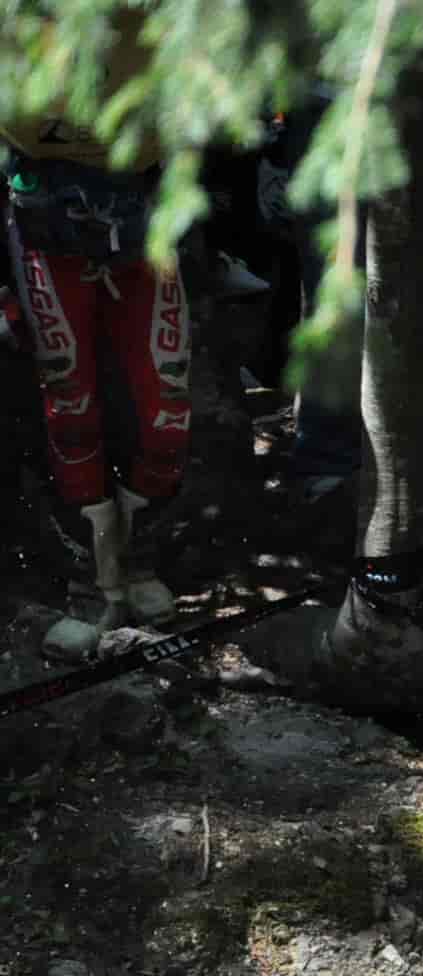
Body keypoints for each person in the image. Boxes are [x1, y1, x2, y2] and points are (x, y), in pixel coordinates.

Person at [1, 8, 188, 663]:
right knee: (70, 404)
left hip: (146, 218)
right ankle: (95, 577)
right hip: (41, 220)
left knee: (165, 408)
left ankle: (137, 559)